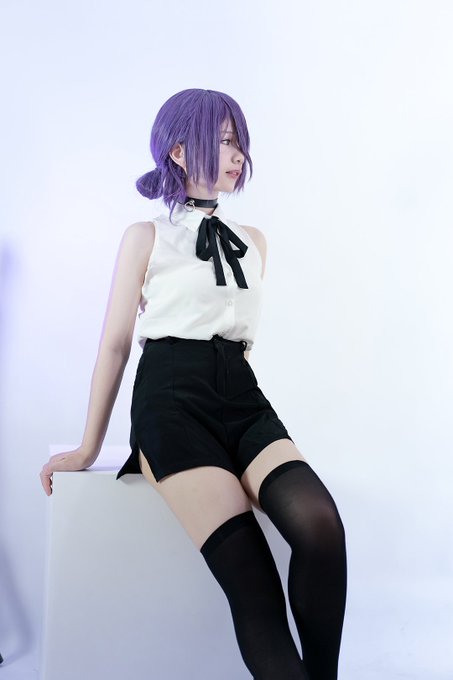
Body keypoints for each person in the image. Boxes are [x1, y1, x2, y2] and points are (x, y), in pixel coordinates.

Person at [40, 88, 347, 680]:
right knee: (254, 583)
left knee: (320, 527)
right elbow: (115, 345)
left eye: (240, 142)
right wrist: (86, 447)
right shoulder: (146, 236)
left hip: (242, 396)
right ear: (179, 151)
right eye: (224, 141)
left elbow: (242, 338)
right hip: (171, 403)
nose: (238, 155)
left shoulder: (253, 241)